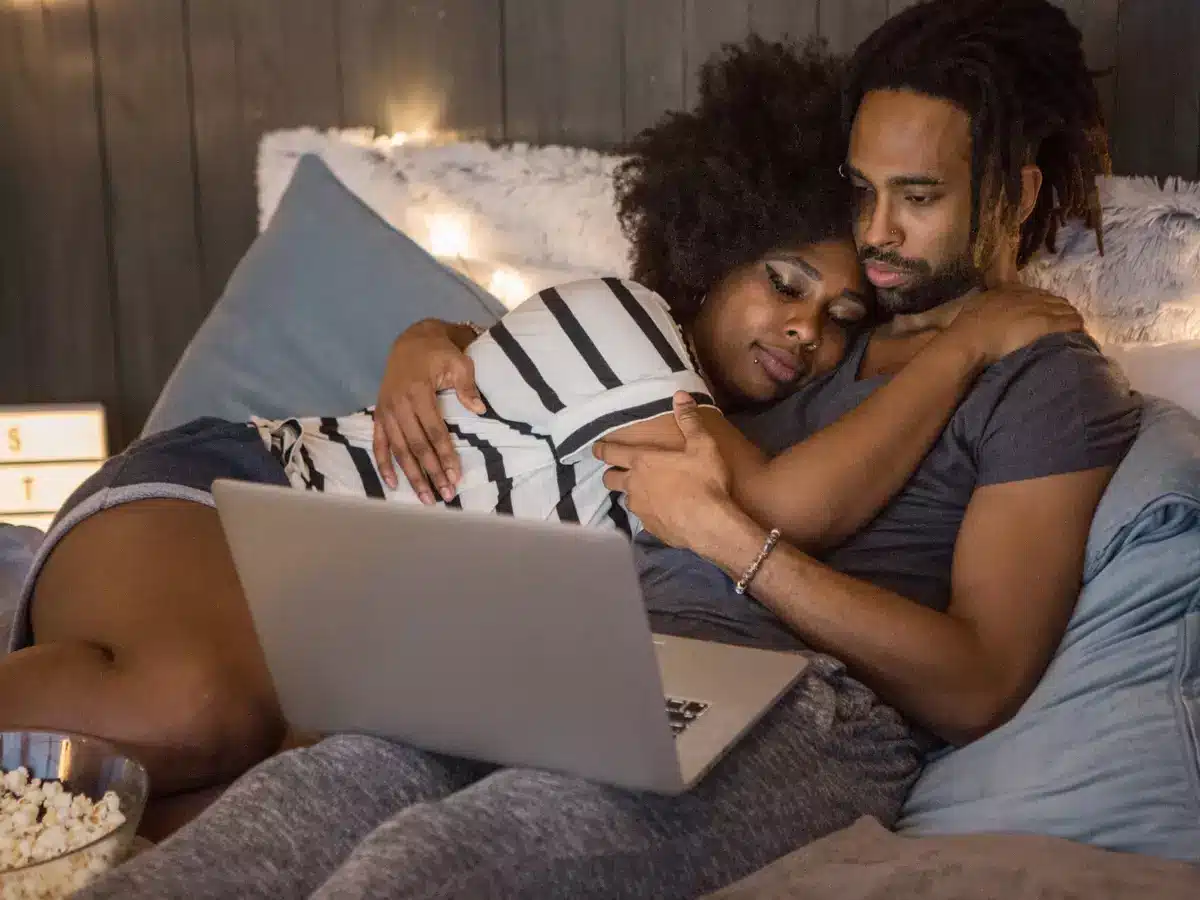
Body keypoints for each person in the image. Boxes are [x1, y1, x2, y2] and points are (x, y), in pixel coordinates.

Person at [74, 3, 1140, 897]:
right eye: (861, 193)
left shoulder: (1039, 376)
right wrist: (434, 337)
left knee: (436, 866)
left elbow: (977, 684)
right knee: (298, 806)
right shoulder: (799, 343)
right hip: (570, 654)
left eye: (919, 199)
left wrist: (740, 547)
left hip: (801, 701)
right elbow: (583, 370)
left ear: (1021, 194)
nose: (876, 231)